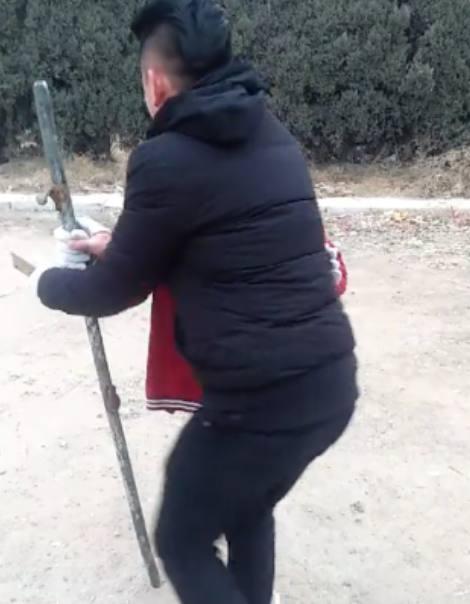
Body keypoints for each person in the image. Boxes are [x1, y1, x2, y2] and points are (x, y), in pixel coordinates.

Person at [36, 1, 358, 603]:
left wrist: (49, 282)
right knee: (248, 505)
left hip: (256, 407)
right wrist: (115, 246)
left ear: (155, 82)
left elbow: (114, 290)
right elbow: (211, 238)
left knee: (182, 540)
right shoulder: (272, 135)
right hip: (330, 386)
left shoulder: (163, 158)